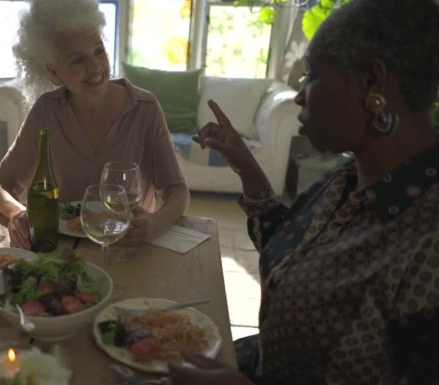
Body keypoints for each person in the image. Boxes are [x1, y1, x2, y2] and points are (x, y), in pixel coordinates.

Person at [169, 0, 439, 383]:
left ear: (372, 83)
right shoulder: (351, 176)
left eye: (310, 75)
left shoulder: (428, 241)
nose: (299, 97)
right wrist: (243, 160)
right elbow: (288, 249)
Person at [0, 0, 190, 250]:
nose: (95, 67)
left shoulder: (144, 108)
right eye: (77, 60)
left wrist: (155, 223)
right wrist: (17, 213)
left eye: (98, 51)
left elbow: (177, 190)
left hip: (127, 245)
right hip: (64, 252)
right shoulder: (47, 110)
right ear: (54, 72)